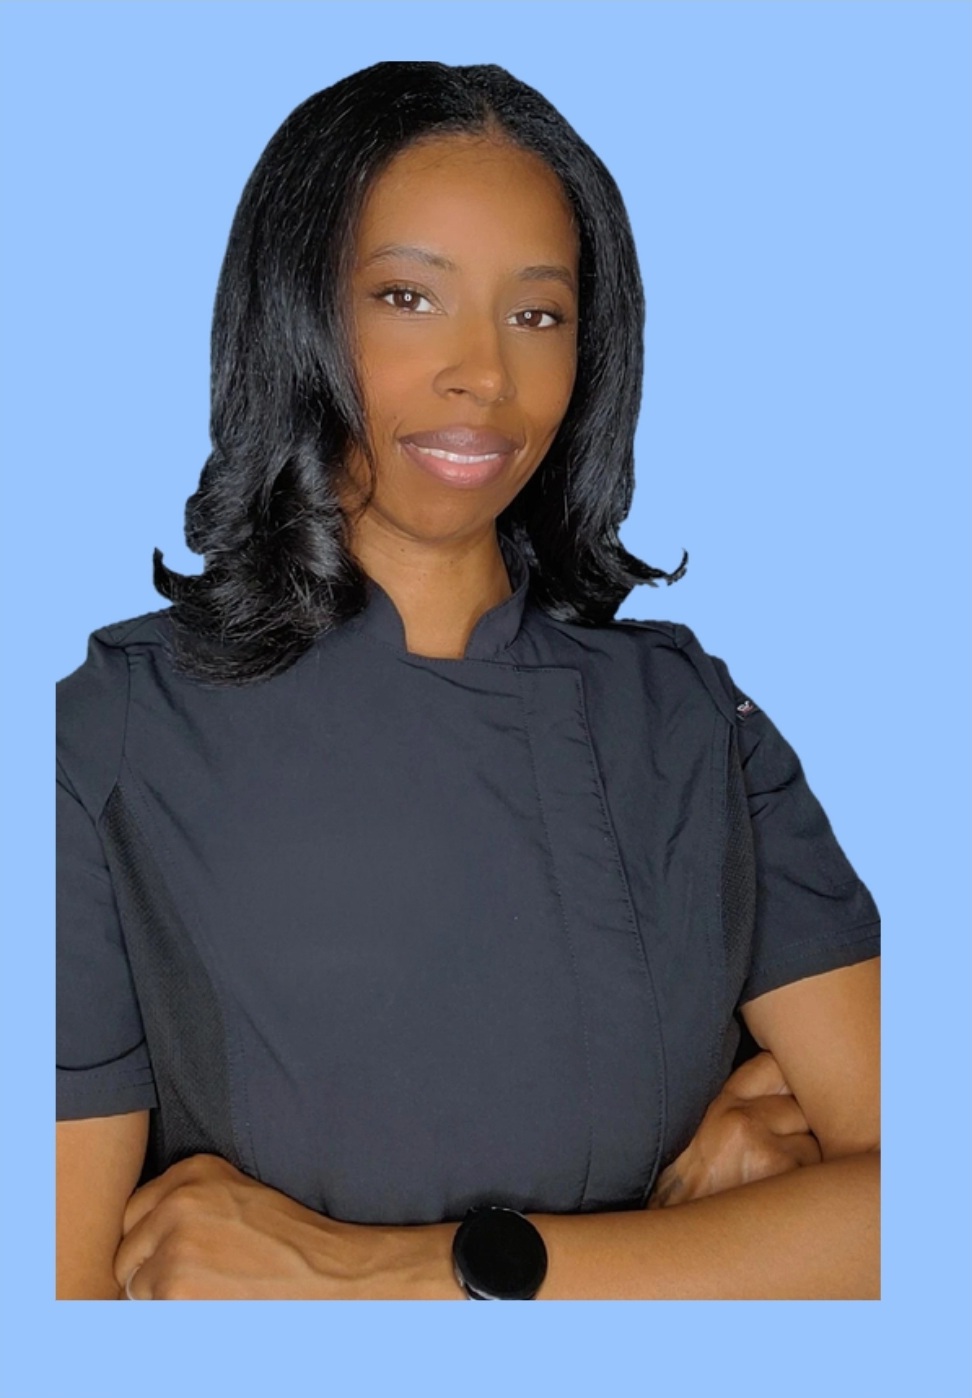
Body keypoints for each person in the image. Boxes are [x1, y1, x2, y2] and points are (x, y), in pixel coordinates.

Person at [55, 61, 880, 1301]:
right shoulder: (110, 742)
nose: (485, 375)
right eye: (408, 297)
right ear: (294, 313)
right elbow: (56, 1325)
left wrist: (386, 1279)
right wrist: (715, 1250)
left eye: (538, 315)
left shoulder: (691, 725)